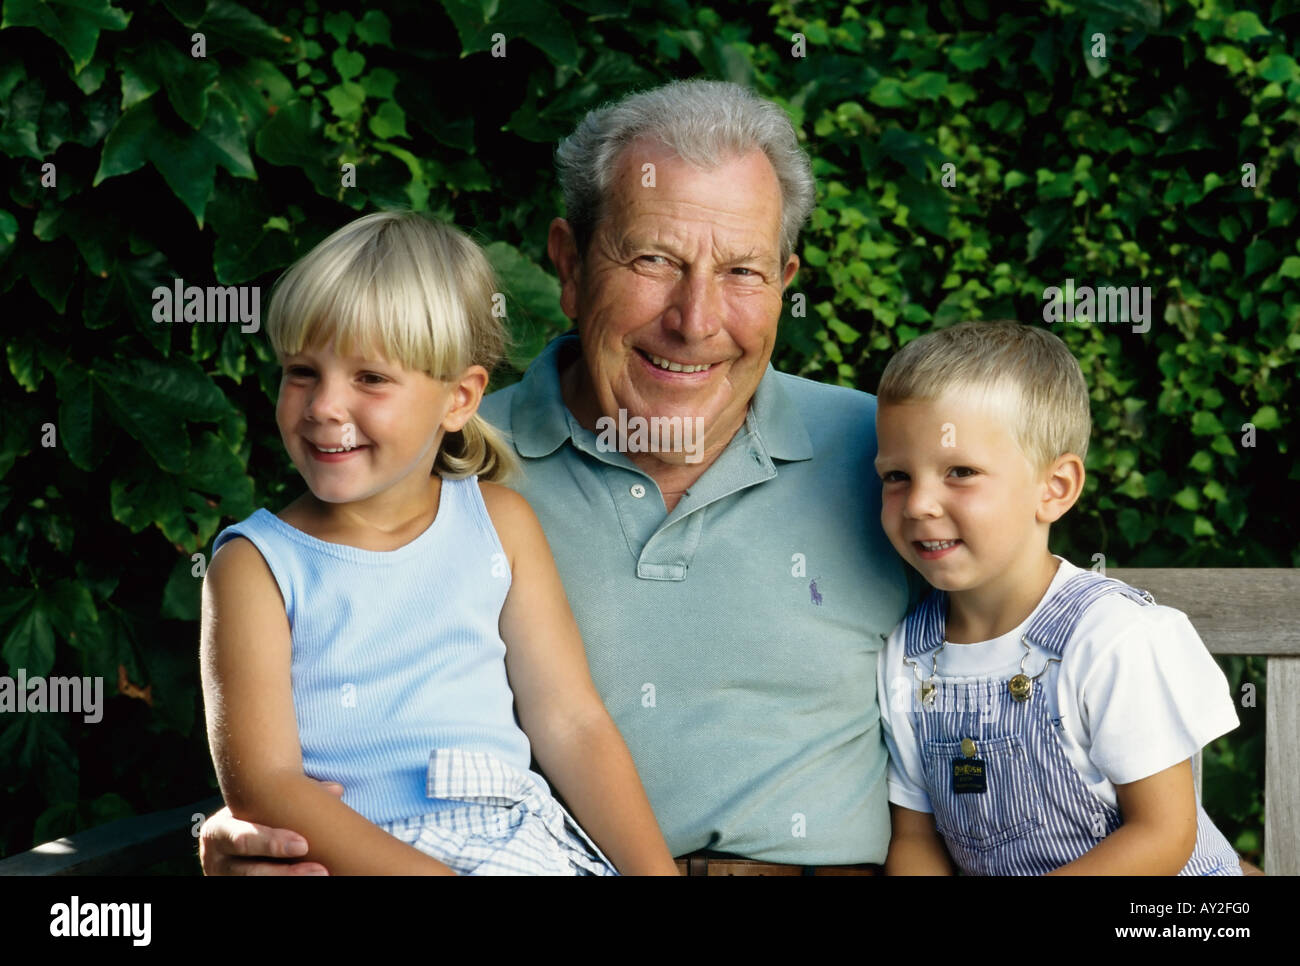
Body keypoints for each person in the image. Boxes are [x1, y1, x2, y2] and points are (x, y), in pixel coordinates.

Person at [200, 79, 915, 876]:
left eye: (742, 272)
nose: (695, 319)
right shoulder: (440, 469)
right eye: (654, 259)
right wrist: (241, 838)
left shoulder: (892, 461)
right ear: (569, 264)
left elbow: (1026, 693)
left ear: (785, 282)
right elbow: (292, 735)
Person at [199, 210, 677, 875]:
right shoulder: (257, 564)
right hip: (364, 855)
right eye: (302, 372)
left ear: (459, 399)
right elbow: (265, 785)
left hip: (520, 842)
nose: (323, 407)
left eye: (370, 378)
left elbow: (572, 722)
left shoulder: (499, 524)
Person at [873, 320, 1243, 875]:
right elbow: (916, 839)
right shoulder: (909, 657)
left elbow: (1163, 834)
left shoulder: (1113, 638)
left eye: (961, 472)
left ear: (1055, 488)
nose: (920, 503)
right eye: (897, 475)